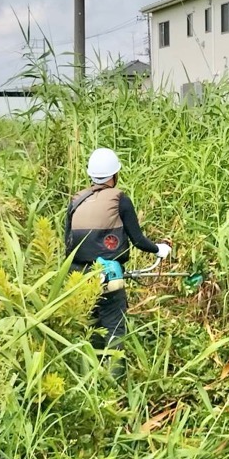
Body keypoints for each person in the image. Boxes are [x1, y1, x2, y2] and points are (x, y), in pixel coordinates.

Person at [64, 147, 170, 379]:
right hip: (109, 277)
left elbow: (68, 247)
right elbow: (139, 240)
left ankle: (90, 379)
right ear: (115, 175)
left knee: (90, 327)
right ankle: (112, 383)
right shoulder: (120, 199)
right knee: (114, 327)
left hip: (77, 277)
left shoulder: (75, 201)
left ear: (90, 175)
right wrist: (159, 249)